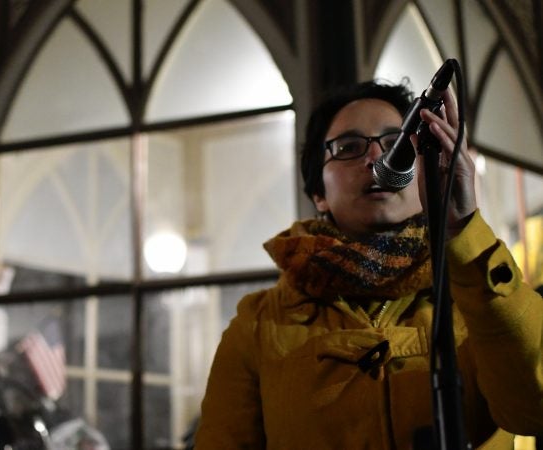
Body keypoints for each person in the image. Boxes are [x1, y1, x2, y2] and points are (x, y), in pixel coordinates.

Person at [194, 80, 543, 449]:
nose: (376, 158)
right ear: (319, 193)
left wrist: (462, 230)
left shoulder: (473, 285)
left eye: (396, 144)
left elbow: (533, 408)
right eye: (348, 147)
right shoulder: (259, 324)